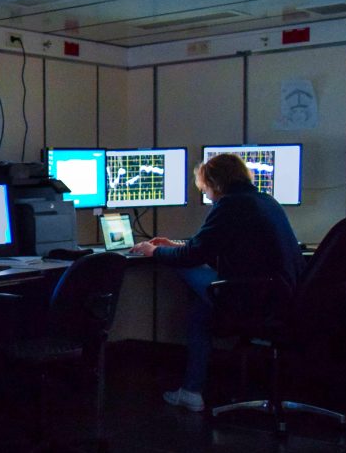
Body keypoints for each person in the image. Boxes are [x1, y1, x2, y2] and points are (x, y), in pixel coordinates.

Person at [130, 153, 303, 412]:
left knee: (182, 268)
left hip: (254, 296)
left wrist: (153, 251)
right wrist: (177, 246)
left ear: (215, 183)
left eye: (206, 189)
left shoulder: (231, 205)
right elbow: (211, 247)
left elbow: (194, 256)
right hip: (277, 293)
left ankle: (191, 390)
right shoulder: (264, 201)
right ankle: (191, 391)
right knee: (201, 311)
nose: (208, 196)